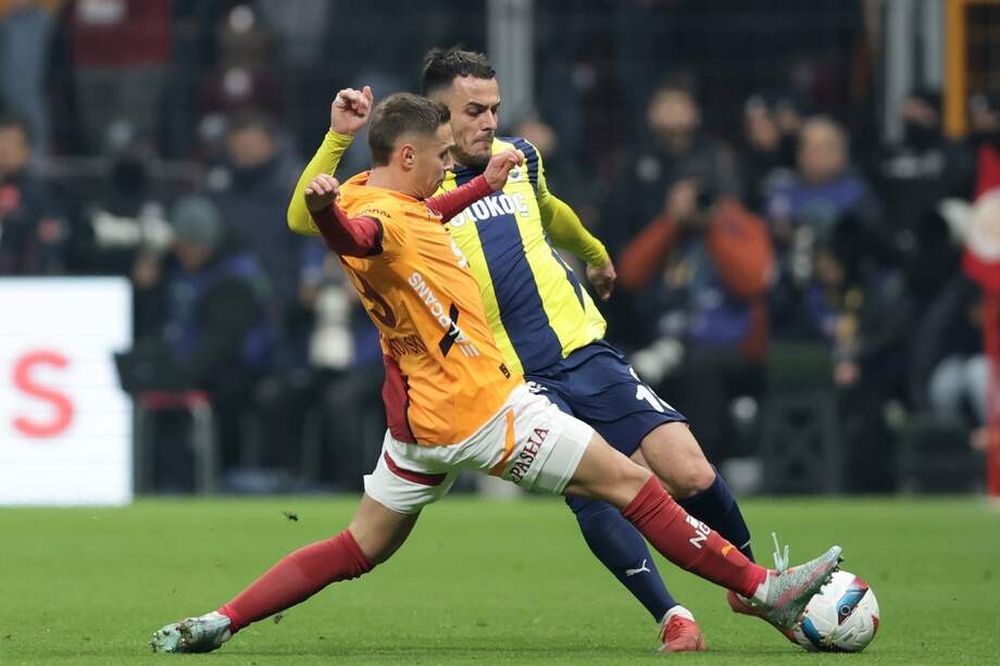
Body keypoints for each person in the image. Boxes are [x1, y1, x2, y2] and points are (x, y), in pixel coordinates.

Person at [150, 91, 842, 654]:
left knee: (358, 545)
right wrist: (328, 212)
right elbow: (352, 236)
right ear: (411, 153)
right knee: (633, 484)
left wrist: (479, 185)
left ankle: (221, 620)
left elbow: (415, 214)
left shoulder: (378, 194)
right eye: (442, 156)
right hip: (483, 409)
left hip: (417, 424)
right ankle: (759, 586)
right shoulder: (363, 218)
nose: (448, 166)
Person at [287, 50, 766, 652]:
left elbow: (548, 210)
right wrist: (336, 141)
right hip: (508, 376)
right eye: (474, 111)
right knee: (597, 488)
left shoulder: (519, 158)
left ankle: (757, 586)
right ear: (438, 115)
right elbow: (308, 218)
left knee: (689, 468)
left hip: (580, 346)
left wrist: (593, 250)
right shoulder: (401, 194)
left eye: (494, 108)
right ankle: (670, 613)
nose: (490, 122)